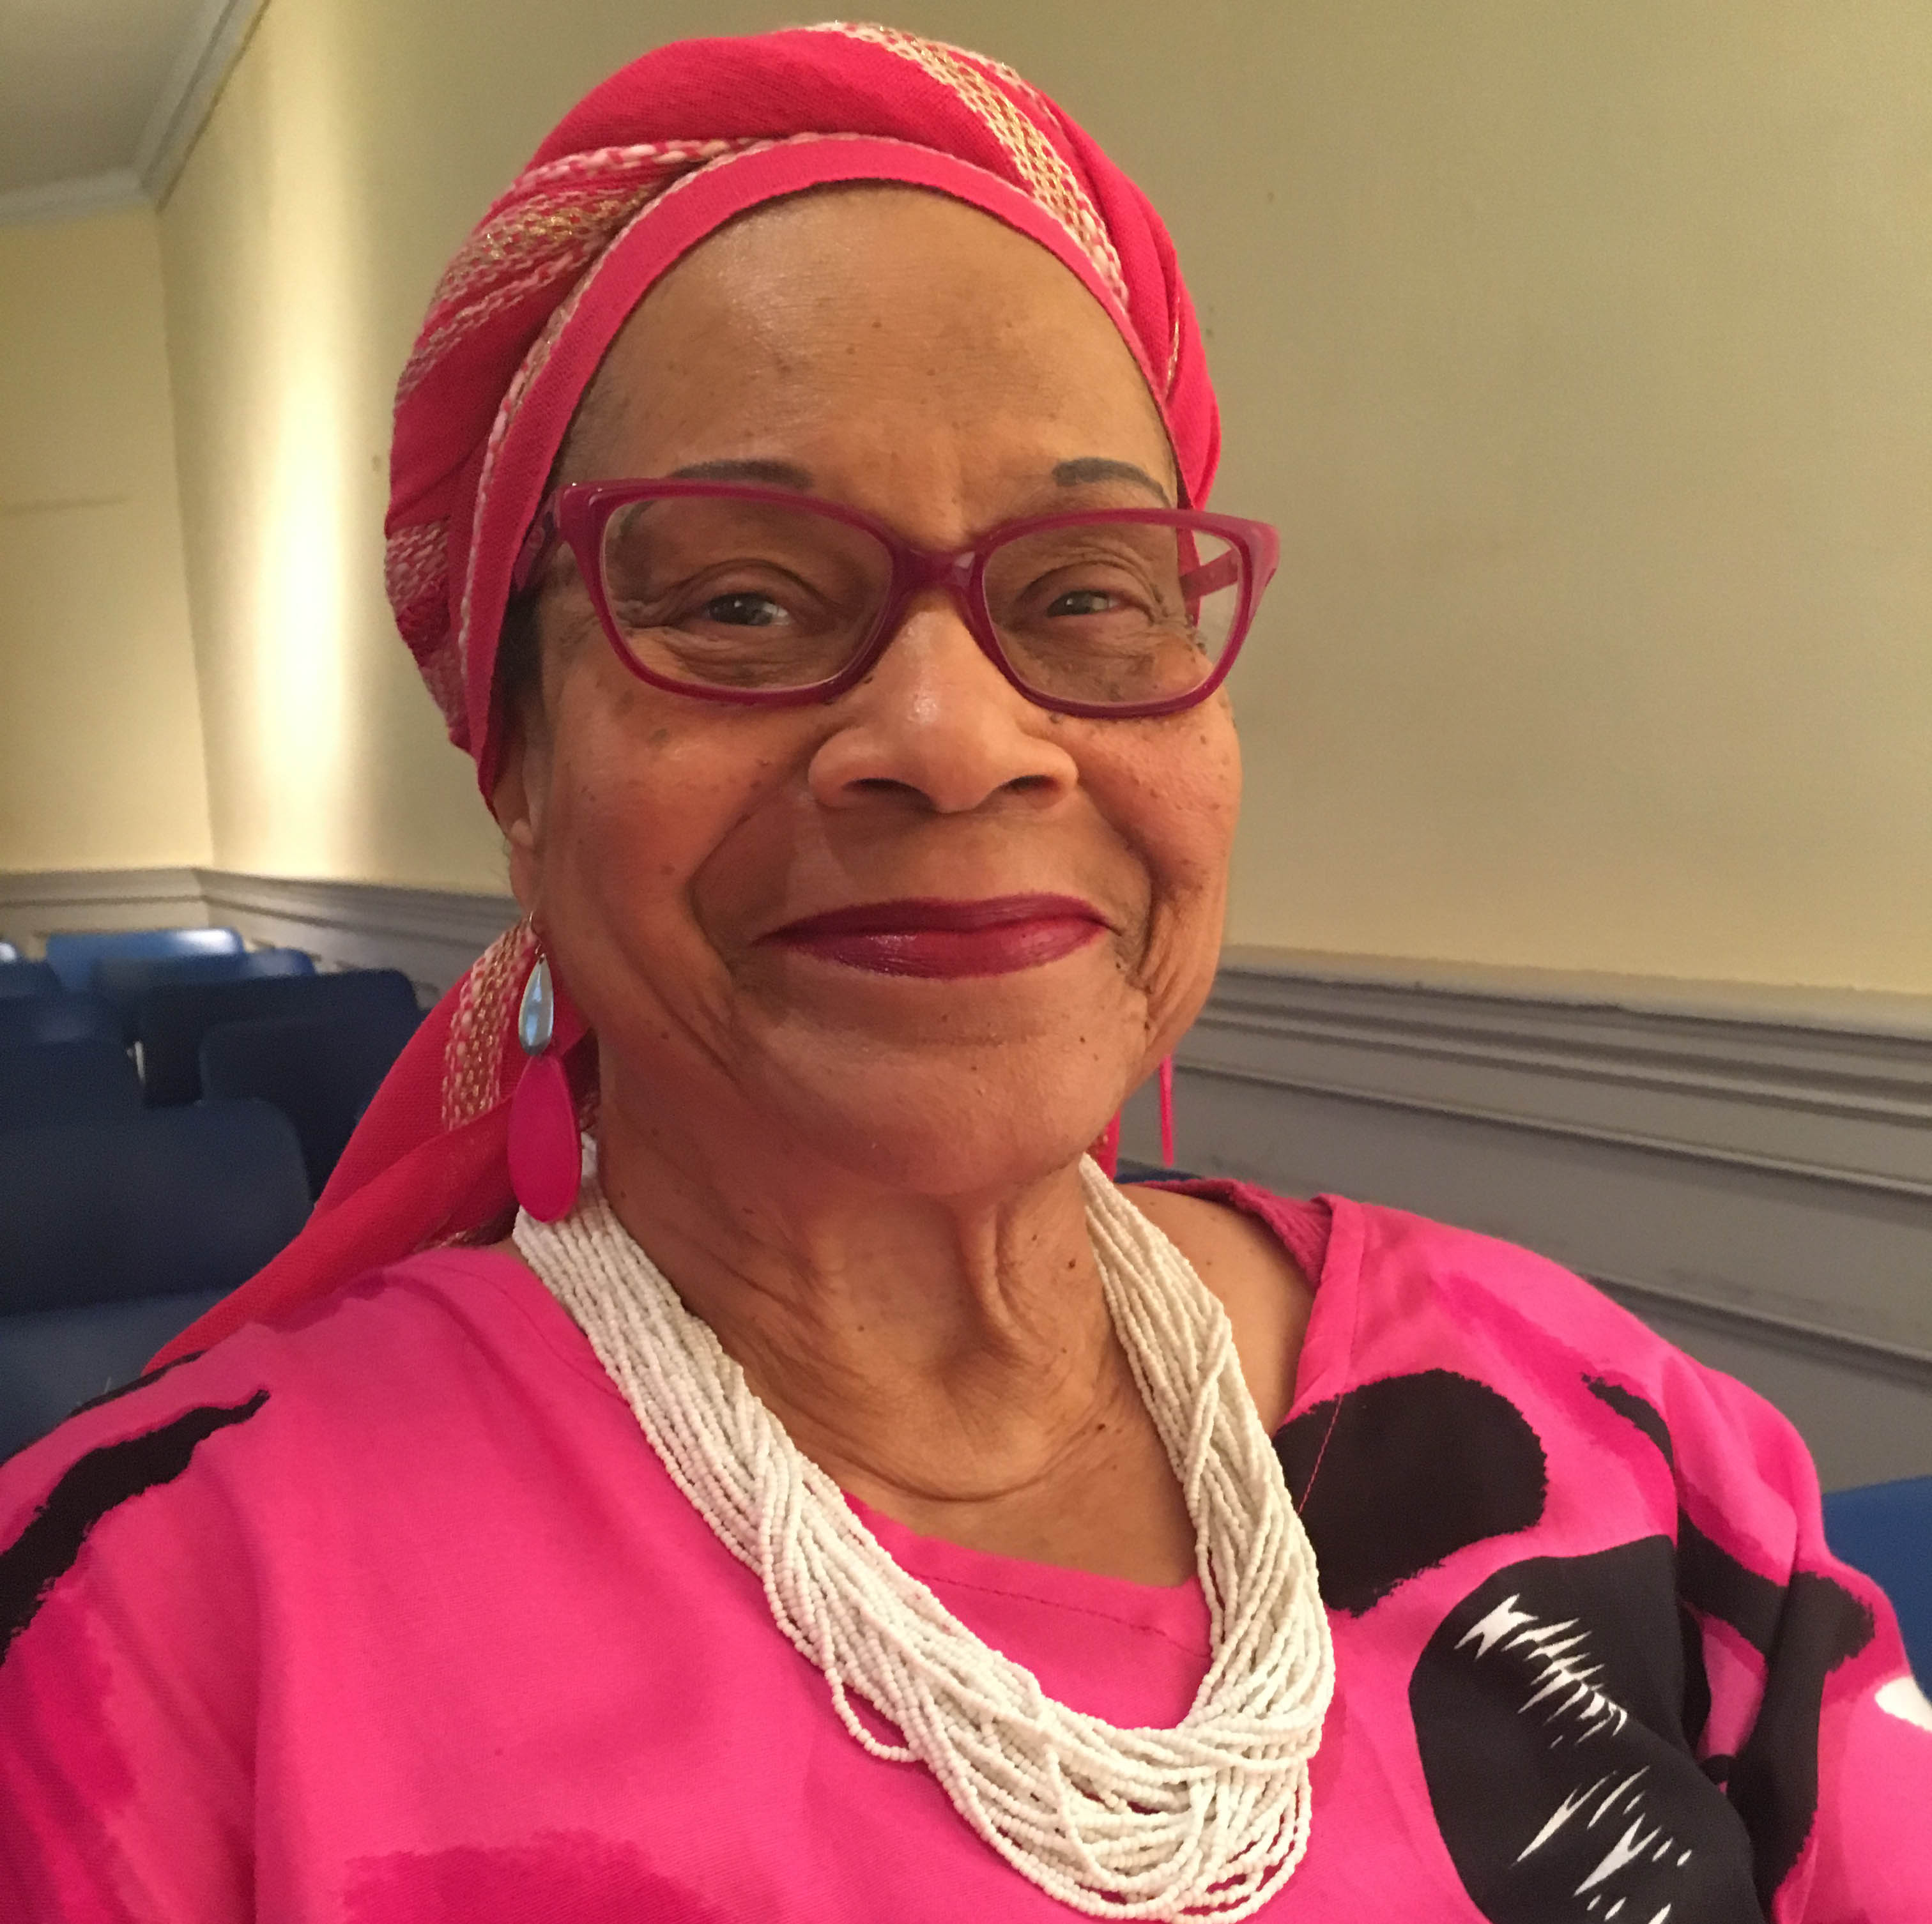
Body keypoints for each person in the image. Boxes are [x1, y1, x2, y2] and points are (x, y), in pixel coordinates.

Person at [1, 25, 1924, 1923]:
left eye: (1088, 589)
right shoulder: (151, 1645)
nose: (953, 732)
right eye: (742, 601)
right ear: (511, 758)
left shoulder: (1627, 1443)